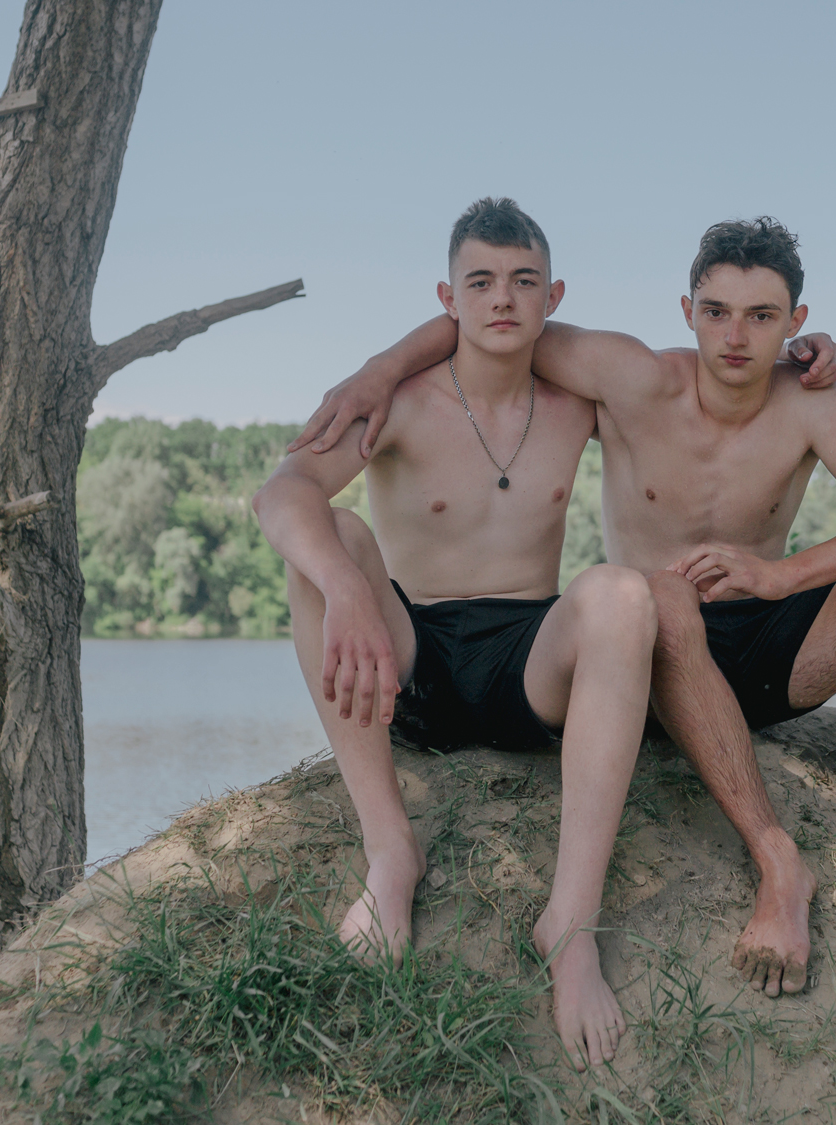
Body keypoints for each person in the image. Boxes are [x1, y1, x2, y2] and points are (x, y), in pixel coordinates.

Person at [293, 215, 836, 999]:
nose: (735, 335)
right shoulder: (627, 375)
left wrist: (781, 575)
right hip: (656, 650)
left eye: (762, 316)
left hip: (772, 646)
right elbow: (494, 321)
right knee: (660, 592)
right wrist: (378, 369)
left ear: (796, 323)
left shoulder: (813, 401)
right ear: (687, 309)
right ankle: (778, 860)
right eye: (717, 311)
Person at [254, 198, 661, 1070]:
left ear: (554, 295)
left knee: (623, 595)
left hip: (530, 664)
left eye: (522, 282)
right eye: (480, 281)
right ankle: (390, 853)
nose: (502, 300)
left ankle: (571, 923)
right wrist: (346, 589)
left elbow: (701, 376)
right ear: (449, 297)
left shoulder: (578, 401)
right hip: (413, 653)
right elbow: (281, 493)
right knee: (335, 538)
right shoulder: (397, 402)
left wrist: (798, 358)